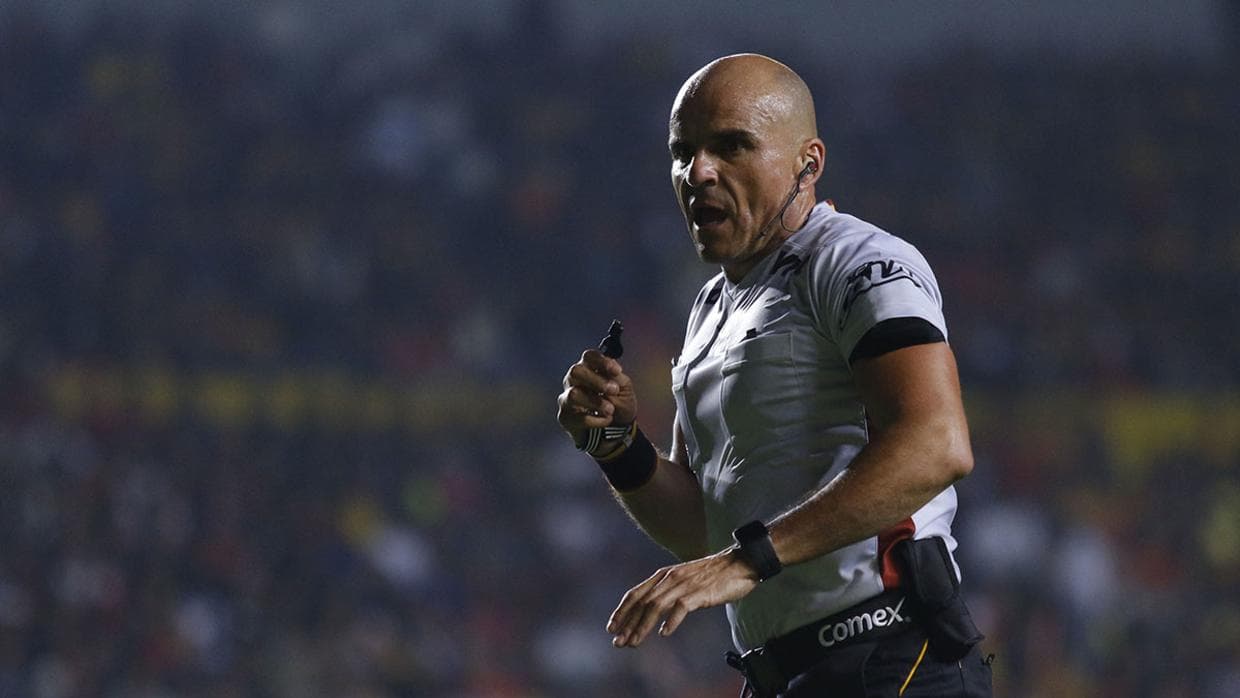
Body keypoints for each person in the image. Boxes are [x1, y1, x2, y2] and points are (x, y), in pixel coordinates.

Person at [556, 53, 992, 697]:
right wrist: (616, 445)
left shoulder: (858, 260)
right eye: (683, 152)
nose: (699, 172)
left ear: (807, 163)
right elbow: (704, 531)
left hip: (891, 657)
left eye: (731, 146)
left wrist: (747, 560)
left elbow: (937, 444)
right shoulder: (709, 308)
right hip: (785, 675)